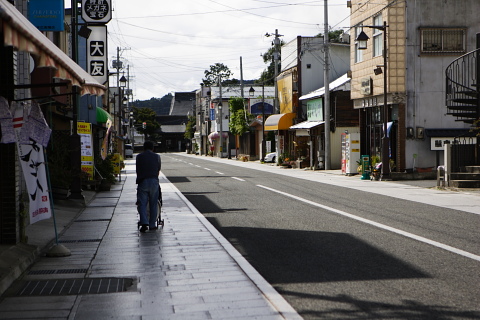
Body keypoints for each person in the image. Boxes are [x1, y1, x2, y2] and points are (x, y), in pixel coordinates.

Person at [136, 140, 161, 232]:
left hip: (143, 181)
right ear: (152, 148)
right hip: (154, 181)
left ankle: (144, 222)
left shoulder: (139, 157)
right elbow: (158, 170)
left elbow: (138, 170)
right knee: (153, 203)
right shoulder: (157, 157)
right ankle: (152, 224)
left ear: (143, 148)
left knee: (142, 203)